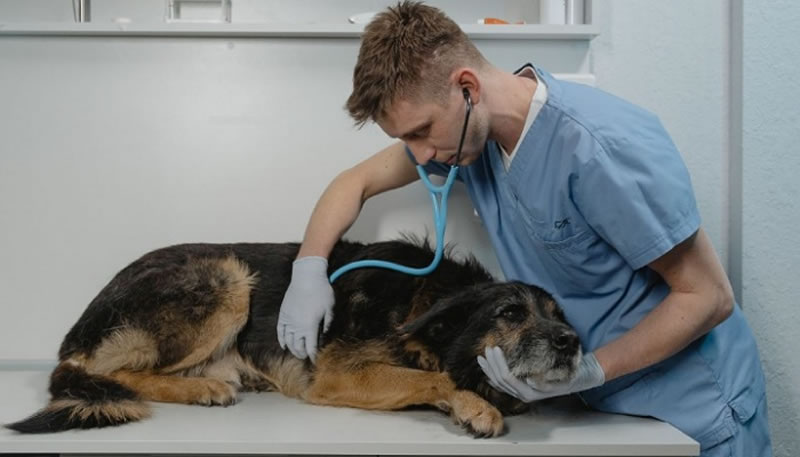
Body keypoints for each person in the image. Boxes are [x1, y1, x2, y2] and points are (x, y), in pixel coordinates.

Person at [275, 2, 772, 455]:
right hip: (595, 409)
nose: (420, 155)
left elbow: (708, 297)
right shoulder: (472, 138)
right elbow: (353, 183)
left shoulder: (599, 149)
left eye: (422, 131)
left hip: (691, 411)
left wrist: (590, 371)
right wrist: (310, 267)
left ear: (467, 88)